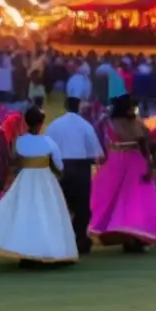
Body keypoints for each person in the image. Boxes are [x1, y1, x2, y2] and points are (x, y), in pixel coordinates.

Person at [0, 106, 78, 266]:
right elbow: (59, 165)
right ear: (39, 124)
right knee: (48, 215)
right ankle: (50, 251)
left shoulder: (20, 142)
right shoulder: (48, 142)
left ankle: (26, 252)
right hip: (45, 180)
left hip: (25, 179)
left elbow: (14, 161)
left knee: (25, 215)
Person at [89, 94, 156, 253]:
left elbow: (143, 144)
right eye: (130, 106)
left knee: (128, 200)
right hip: (129, 162)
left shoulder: (109, 122)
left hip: (120, 161)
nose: (133, 109)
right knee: (129, 199)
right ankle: (131, 237)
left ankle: (131, 236)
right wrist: (149, 164)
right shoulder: (130, 123)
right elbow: (145, 145)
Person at [45, 95, 104, 255]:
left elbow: (47, 150)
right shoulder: (86, 126)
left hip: (60, 168)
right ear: (79, 107)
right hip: (80, 168)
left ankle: (62, 239)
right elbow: (97, 154)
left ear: (64, 106)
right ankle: (79, 238)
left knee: (61, 205)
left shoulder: (54, 125)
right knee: (82, 207)